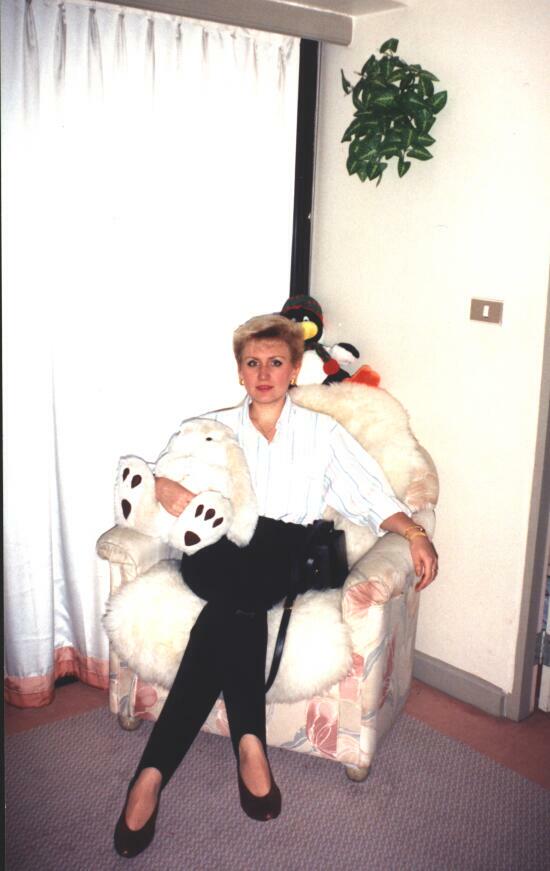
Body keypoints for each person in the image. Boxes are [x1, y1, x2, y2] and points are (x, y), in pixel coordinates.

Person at [114, 314, 438, 858]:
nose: (264, 373)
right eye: (252, 363)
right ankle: (250, 745)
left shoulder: (321, 433)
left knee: (232, 605)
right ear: (239, 372)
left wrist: (414, 532)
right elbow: (161, 479)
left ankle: (150, 775)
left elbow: (371, 494)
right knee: (237, 596)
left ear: (294, 370)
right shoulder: (211, 429)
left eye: (275, 362)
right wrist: (164, 484)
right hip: (214, 545)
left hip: (282, 548)